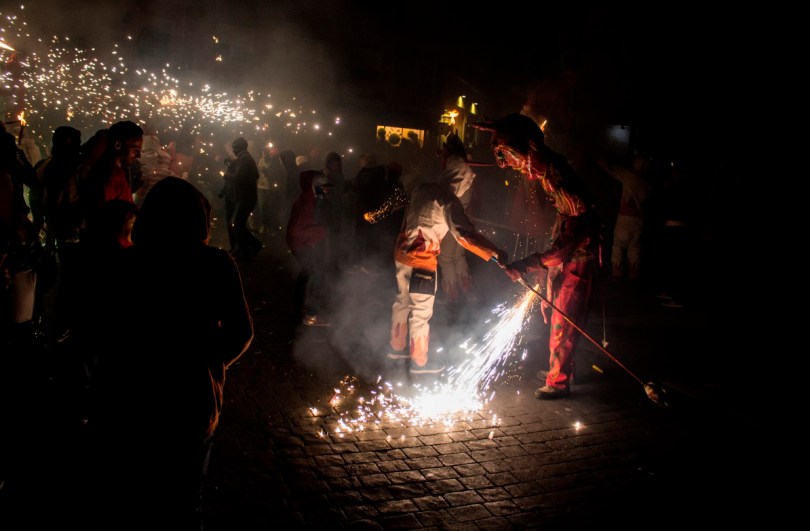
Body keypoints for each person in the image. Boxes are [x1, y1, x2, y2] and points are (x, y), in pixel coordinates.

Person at [89, 176, 253, 529]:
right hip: (190, 400)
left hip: (127, 397)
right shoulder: (215, 263)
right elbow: (241, 332)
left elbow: (99, 329)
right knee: (183, 501)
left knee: (129, 496)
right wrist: (208, 361)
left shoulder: (125, 263)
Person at [474, 113, 601, 399]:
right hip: (567, 259)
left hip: (577, 263)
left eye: (511, 156)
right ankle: (562, 369)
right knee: (554, 315)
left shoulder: (563, 184)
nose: (510, 165)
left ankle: (559, 381)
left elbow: (562, 249)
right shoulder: (552, 175)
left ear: (530, 148)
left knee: (564, 322)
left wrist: (524, 266)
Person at [389, 134, 508, 375]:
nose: (468, 185)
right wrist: (494, 253)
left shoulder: (423, 188)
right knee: (421, 313)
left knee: (402, 301)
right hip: (423, 261)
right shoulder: (448, 200)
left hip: (401, 254)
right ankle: (419, 363)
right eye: (468, 180)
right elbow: (464, 235)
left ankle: (396, 347)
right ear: (461, 177)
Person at [597, 151, 650, 282]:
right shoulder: (646, 182)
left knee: (618, 245)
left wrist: (602, 161)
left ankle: (617, 274)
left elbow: (611, 169)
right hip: (639, 219)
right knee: (634, 247)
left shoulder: (629, 176)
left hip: (625, 217)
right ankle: (633, 276)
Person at [286, 169, 330, 327]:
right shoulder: (307, 203)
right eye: (321, 184)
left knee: (307, 274)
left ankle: (297, 307)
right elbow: (297, 230)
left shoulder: (311, 199)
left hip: (304, 243)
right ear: (312, 185)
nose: (325, 188)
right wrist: (320, 233)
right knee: (316, 277)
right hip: (303, 245)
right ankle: (311, 315)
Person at [218, 136, 261, 260]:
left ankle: (248, 249)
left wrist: (227, 175)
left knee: (237, 224)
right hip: (247, 196)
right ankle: (247, 247)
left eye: (234, 148)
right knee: (238, 224)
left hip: (246, 197)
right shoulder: (245, 157)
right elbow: (255, 175)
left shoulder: (244, 158)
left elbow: (239, 177)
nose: (233, 150)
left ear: (239, 147)